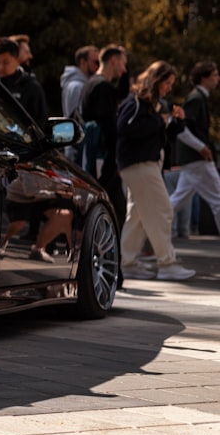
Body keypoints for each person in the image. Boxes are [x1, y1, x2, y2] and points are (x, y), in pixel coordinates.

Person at [116, 60, 195, 281]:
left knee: (139, 216)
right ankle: (167, 263)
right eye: (167, 83)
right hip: (140, 164)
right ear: (157, 80)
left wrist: (176, 122)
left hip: (141, 164)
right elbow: (125, 127)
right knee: (162, 210)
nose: (169, 88)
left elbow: (161, 133)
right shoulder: (138, 101)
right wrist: (160, 121)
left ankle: (127, 263)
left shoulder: (149, 104)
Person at [169, 61, 220, 239]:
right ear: (204, 78)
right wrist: (202, 148)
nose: (217, 79)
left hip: (193, 158)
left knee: (177, 200)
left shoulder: (198, 97)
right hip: (197, 157)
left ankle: (146, 226)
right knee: (218, 199)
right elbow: (183, 128)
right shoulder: (196, 98)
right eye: (214, 75)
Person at [80, 44, 129, 221]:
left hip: (94, 154)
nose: (124, 70)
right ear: (113, 61)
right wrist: (115, 160)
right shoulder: (103, 88)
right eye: (123, 64)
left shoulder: (90, 84)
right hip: (104, 156)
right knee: (114, 208)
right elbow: (110, 127)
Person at [0, 36, 47, 124]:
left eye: (6, 62)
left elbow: (39, 124)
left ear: (17, 60)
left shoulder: (31, 87)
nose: (1, 67)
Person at [60, 44, 100, 163]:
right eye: (95, 62)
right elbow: (73, 119)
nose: (98, 66)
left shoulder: (80, 84)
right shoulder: (77, 87)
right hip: (76, 150)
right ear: (83, 62)